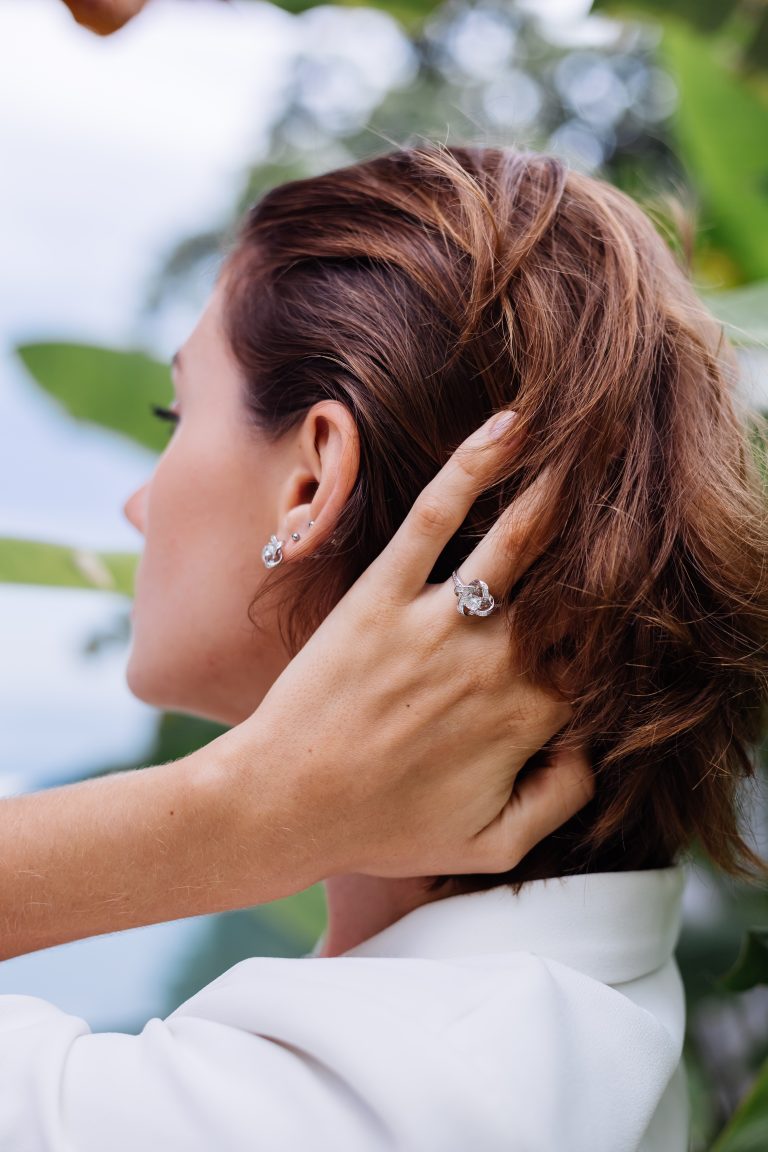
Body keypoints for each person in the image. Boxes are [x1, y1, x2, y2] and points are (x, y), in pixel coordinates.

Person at [1, 142, 766, 1150]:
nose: (136, 503)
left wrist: (236, 819)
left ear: (313, 482)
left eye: (174, 414)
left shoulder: (332, 1111)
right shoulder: (582, 1005)